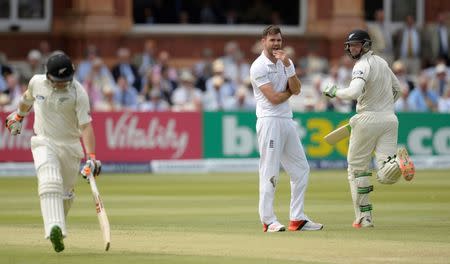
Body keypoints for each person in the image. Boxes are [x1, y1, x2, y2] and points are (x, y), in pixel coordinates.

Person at [5, 52, 102, 252]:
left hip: (70, 146)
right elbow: (26, 99)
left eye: (64, 81)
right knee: (49, 180)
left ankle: (58, 226)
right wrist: (18, 116)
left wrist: (91, 157)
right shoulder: (36, 82)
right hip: (44, 140)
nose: (60, 84)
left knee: (65, 194)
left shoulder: (78, 92)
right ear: (47, 75)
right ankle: (54, 228)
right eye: (57, 80)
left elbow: (86, 127)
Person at [323, 29, 416, 228]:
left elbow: (353, 92)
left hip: (367, 119)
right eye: (350, 45)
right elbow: (398, 89)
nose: (352, 48)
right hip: (390, 119)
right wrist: (385, 107)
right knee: (384, 173)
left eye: (356, 45)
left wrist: (334, 91)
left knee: (356, 170)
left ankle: (364, 218)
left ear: (365, 45)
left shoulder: (362, 65)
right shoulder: (382, 62)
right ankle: (398, 163)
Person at [250, 25, 323, 233]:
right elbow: (273, 99)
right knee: (270, 171)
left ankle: (297, 218)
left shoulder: (285, 62)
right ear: (264, 41)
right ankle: (268, 220)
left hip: (286, 120)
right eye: (272, 40)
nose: (276, 44)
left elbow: (297, 88)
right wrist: (290, 91)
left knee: (301, 169)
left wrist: (289, 66)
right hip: (269, 120)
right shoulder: (258, 67)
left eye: (279, 40)